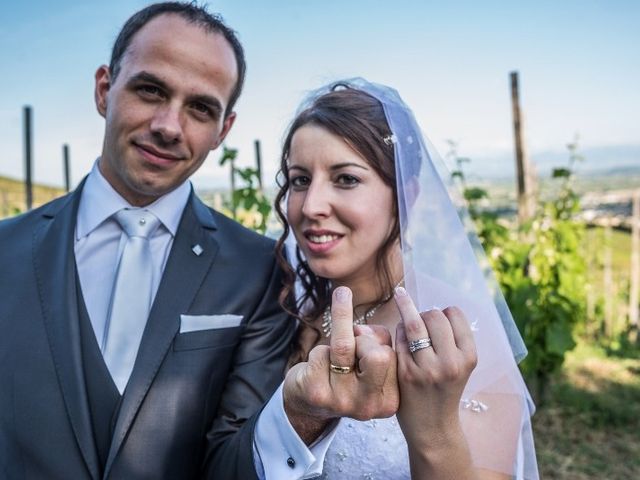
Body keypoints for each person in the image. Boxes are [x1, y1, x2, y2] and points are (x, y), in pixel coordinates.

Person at [0, 5, 399, 479]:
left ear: (223, 130)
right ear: (105, 89)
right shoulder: (7, 249)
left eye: (200, 108)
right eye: (151, 89)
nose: (169, 126)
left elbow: (232, 462)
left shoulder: (260, 270)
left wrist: (301, 415)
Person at [274, 78, 539, 479]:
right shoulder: (294, 309)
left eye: (346, 179)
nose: (311, 206)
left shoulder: (461, 330)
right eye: (300, 180)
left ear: (406, 195)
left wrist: (432, 431)